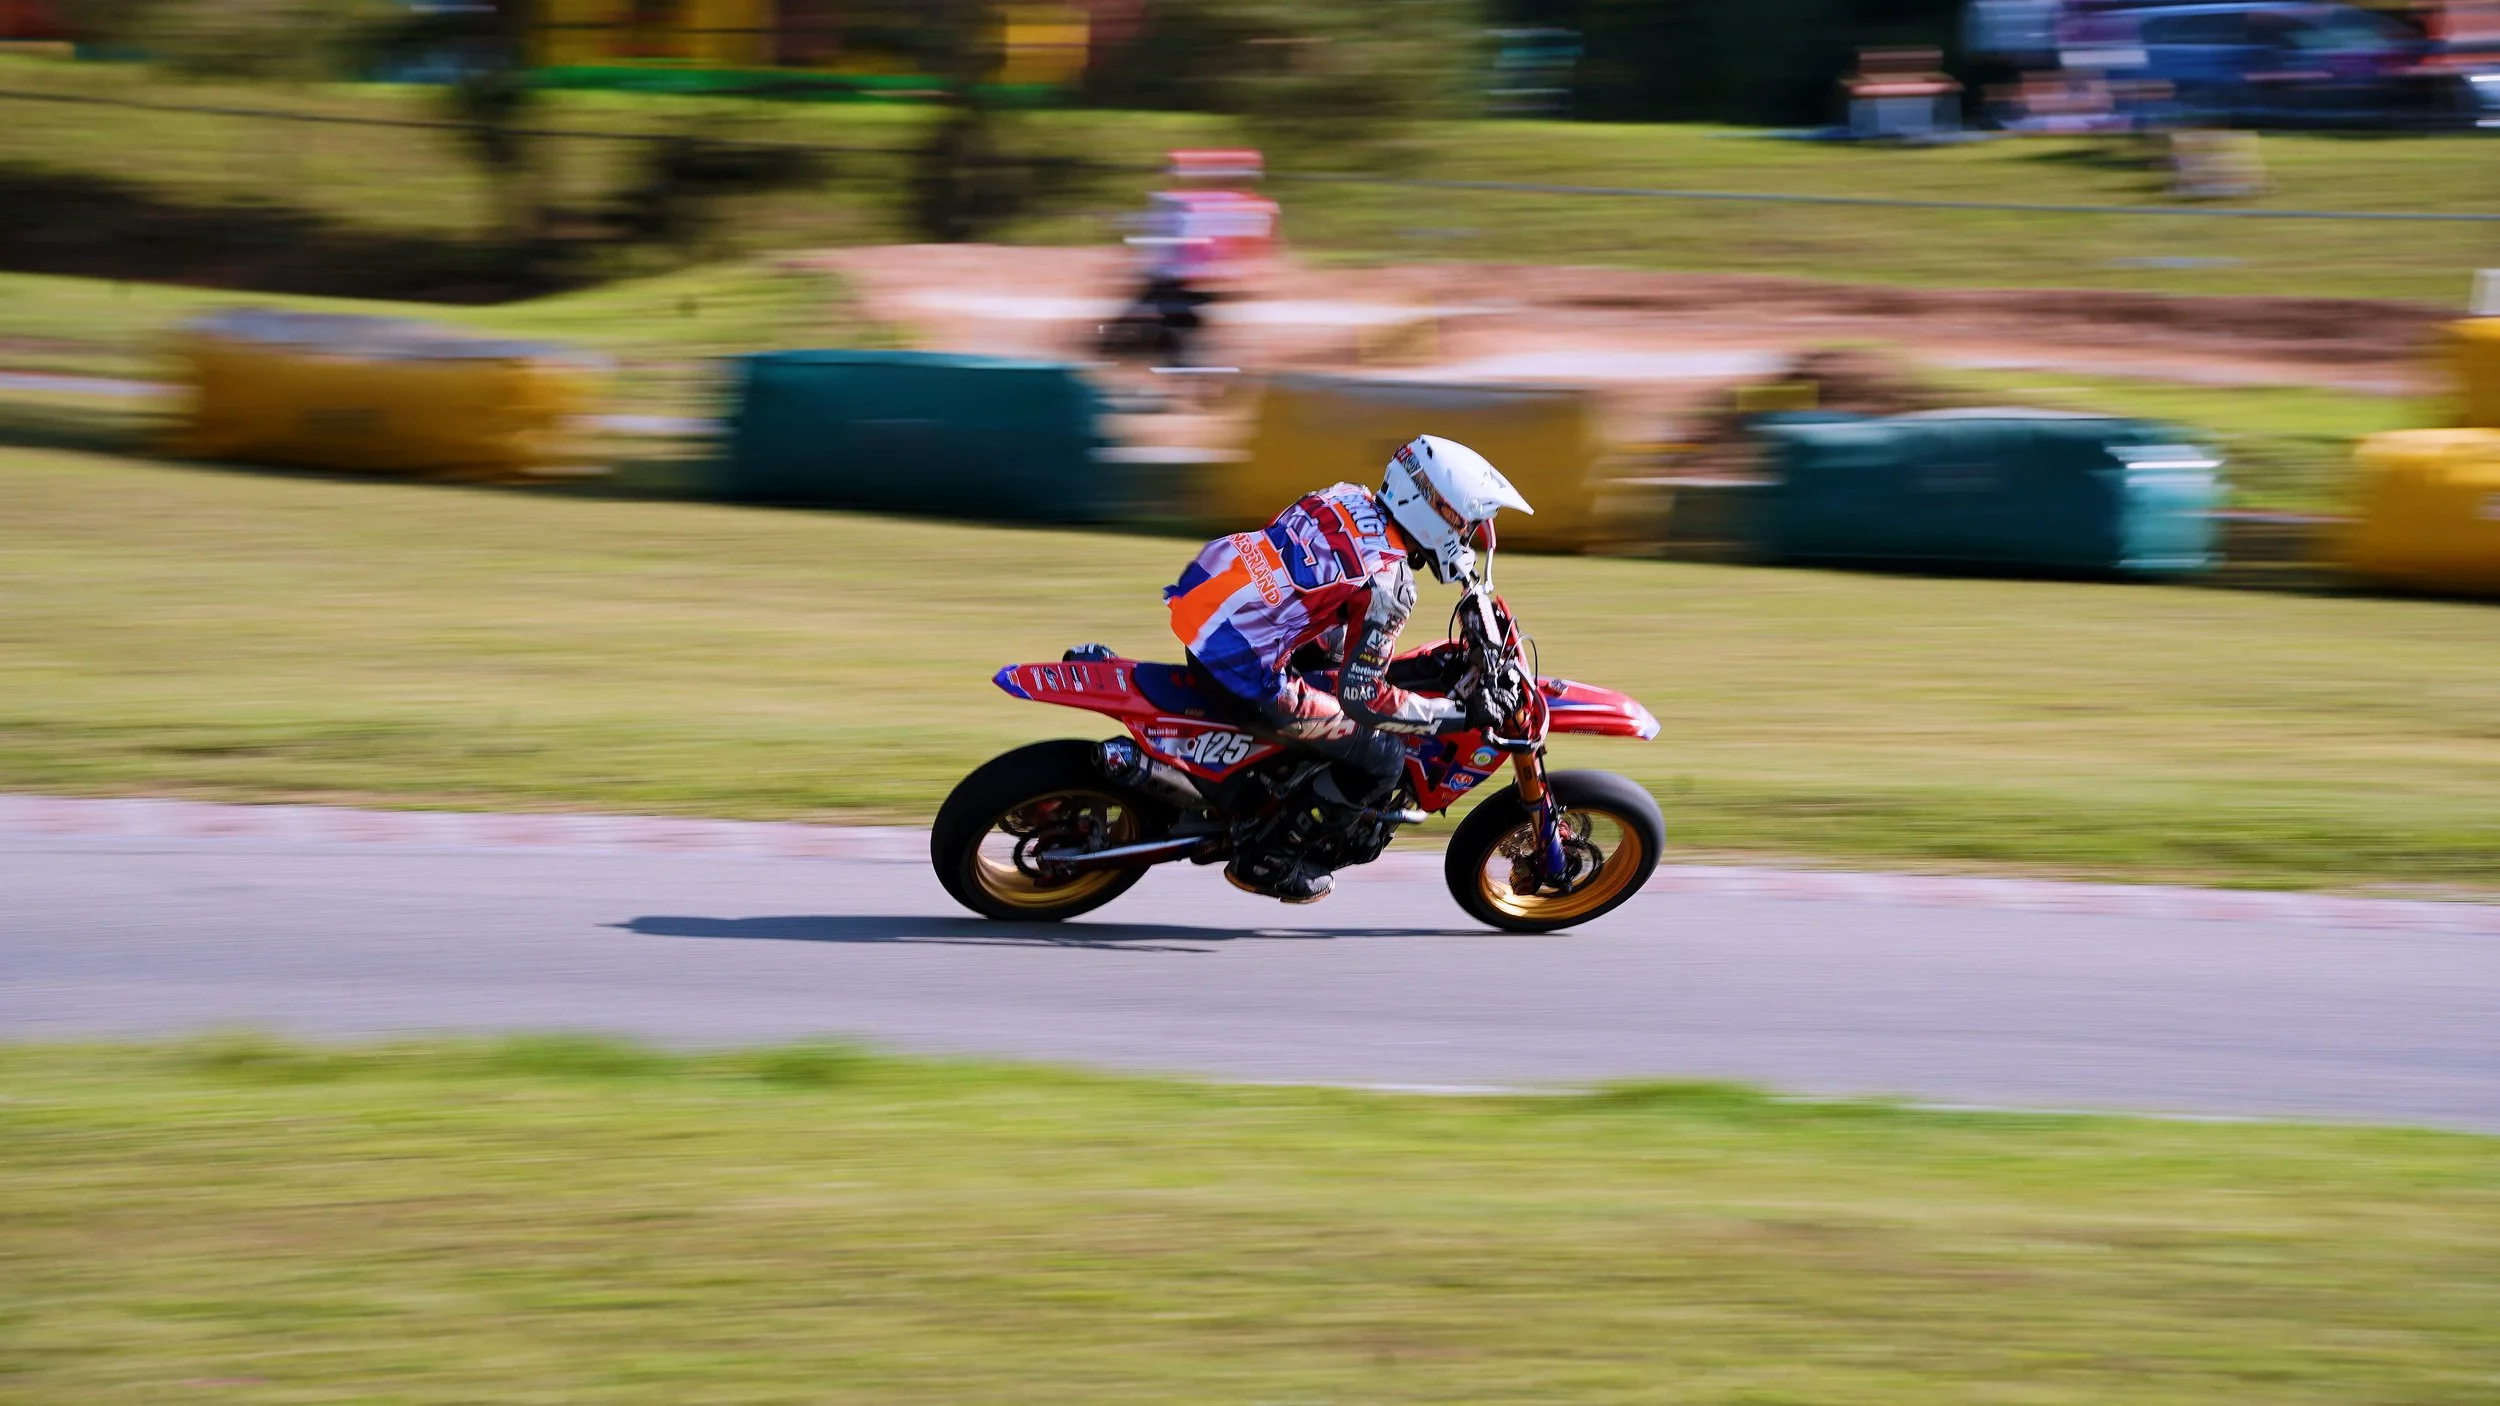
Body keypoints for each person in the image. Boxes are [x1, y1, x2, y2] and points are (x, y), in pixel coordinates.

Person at [1165, 435, 1534, 903]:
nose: (1466, 535)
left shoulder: (1344, 496)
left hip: (1212, 610)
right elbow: (1364, 700)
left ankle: (1277, 786)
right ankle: (1267, 860)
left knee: (1339, 656)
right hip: (1242, 669)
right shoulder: (1389, 583)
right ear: (1432, 509)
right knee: (1382, 758)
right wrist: (1461, 714)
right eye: (1463, 522)